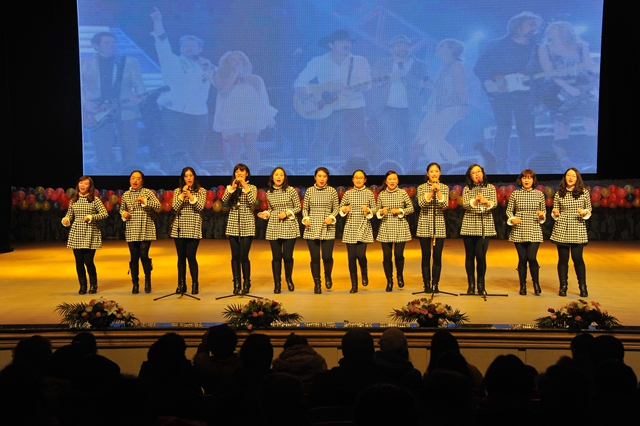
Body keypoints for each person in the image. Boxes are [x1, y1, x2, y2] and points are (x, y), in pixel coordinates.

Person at [474, 12, 543, 173]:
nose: (533, 26)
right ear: (518, 25)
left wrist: (539, 97)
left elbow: (540, 72)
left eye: (535, 24)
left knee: (526, 129)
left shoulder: (536, 48)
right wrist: (489, 81)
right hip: (501, 91)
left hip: (525, 93)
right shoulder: (497, 44)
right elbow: (480, 66)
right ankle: (499, 167)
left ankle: (528, 167)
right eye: (530, 23)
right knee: (503, 128)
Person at [294, 30, 374, 169]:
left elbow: (367, 85)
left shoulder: (359, 61)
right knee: (321, 140)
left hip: (353, 105)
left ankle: (382, 168)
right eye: (342, 41)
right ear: (331, 45)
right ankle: (310, 171)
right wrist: (306, 100)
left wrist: (353, 90)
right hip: (327, 107)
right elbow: (300, 82)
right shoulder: (318, 61)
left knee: (362, 138)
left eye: (348, 41)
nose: (347, 44)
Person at [150, 7, 216, 172]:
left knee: (196, 149)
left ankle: (196, 178)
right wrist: (158, 22)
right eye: (185, 46)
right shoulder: (171, 61)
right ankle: (173, 177)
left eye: (192, 46)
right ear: (180, 48)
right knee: (175, 149)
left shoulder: (206, 65)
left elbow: (219, 83)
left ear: (200, 49)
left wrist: (210, 68)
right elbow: (162, 43)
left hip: (199, 113)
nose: (189, 48)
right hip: (175, 111)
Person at [81, 32, 145, 174]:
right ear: (96, 46)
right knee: (102, 150)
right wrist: (85, 103)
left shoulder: (129, 62)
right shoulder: (84, 64)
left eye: (113, 42)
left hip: (126, 111)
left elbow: (140, 88)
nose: (112, 45)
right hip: (98, 112)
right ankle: (108, 179)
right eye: (107, 43)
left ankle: (130, 179)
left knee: (130, 148)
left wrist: (139, 98)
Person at [538, 21, 599, 162]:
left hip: (581, 85)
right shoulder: (545, 48)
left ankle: (592, 158)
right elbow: (548, 72)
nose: (550, 31)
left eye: (554, 28)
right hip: (557, 87)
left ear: (565, 31)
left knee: (591, 120)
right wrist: (567, 87)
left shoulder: (581, 45)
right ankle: (564, 161)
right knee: (561, 125)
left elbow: (589, 65)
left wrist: (593, 75)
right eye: (549, 28)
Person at [369, 35, 429, 168]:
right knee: (390, 141)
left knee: (411, 141)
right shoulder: (382, 64)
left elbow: (424, 84)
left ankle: (410, 170)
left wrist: (405, 76)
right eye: (398, 45)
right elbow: (373, 81)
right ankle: (391, 170)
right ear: (392, 48)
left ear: (410, 47)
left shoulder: (420, 65)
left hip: (411, 110)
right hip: (387, 109)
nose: (401, 48)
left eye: (405, 45)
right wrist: (389, 78)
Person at [213, 51, 277, 168]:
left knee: (250, 144)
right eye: (233, 59)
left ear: (244, 62)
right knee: (234, 146)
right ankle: (235, 172)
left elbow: (263, 99)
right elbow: (223, 91)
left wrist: (268, 117)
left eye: (240, 59)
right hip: (230, 115)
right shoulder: (220, 77)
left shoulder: (255, 79)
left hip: (250, 115)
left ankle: (256, 171)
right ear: (226, 62)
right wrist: (234, 75)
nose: (237, 62)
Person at [412, 39, 467, 172]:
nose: (438, 47)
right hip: (437, 106)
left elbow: (460, 86)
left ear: (451, 50)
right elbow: (441, 88)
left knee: (435, 137)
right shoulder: (444, 67)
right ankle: (440, 164)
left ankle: (458, 164)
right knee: (422, 138)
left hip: (451, 105)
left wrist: (465, 104)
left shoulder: (457, 66)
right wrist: (429, 85)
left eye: (442, 46)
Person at [61, 176, 108, 294]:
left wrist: (92, 217)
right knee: (79, 262)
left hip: (90, 232)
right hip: (76, 232)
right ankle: (82, 285)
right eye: (81, 183)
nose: (82, 185)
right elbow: (69, 214)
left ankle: (93, 285)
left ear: (90, 186)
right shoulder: (73, 200)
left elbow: (104, 213)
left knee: (88, 261)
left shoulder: (95, 199)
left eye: (86, 184)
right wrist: (66, 219)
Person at [257, 167, 301, 294]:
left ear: (284, 177)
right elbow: (271, 209)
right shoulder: (269, 193)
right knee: (276, 257)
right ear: (272, 177)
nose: (279, 177)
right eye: (276, 175)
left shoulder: (291, 190)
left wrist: (286, 213)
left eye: (281, 175)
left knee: (287, 256)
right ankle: (277, 283)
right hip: (274, 225)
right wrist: (266, 214)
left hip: (289, 225)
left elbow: (298, 207)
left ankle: (289, 279)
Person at [550, 167, 591, 297]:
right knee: (563, 259)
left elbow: (589, 209)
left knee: (577, 258)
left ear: (577, 178)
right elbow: (555, 210)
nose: (570, 178)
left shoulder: (584, 192)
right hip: (562, 227)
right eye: (568, 175)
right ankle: (563, 286)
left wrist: (584, 212)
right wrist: (555, 213)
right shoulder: (559, 192)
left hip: (577, 227)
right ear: (565, 177)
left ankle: (582, 286)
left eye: (573, 175)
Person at [119, 170, 161, 294]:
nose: (135, 181)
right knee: (133, 256)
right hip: (132, 227)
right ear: (129, 180)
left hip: (145, 227)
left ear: (142, 181)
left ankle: (147, 281)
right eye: (133, 178)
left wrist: (145, 202)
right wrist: (124, 213)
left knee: (143, 254)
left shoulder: (147, 192)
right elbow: (122, 209)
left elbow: (158, 207)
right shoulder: (126, 194)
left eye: (138, 178)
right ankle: (135, 283)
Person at [506, 169, 546, 295]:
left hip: (534, 228)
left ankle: (536, 284)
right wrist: (512, 219)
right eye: (524, 178)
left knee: (531, 257)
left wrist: (541, 215)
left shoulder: (539, 194)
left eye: (529, 178)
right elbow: (509, 210)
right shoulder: (515, 194)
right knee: (522, 258)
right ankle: (522, 285)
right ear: (520, 180)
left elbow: (543, 211)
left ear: (533, 180)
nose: (527, 180)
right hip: (519, 228)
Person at [302, 167, 339, 294]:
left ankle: (328, 275)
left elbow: (336, 208)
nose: (322, 179)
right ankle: (317, 283)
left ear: (327, 178)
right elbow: (305, 208)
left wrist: (331, 217)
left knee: (327, 256)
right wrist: (306, 218)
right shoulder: (309, 191)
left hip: (327, 225)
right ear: (315, 177)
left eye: (324, 176)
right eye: (319, 176)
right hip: (312, 225)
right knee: (315, 258)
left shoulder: (332, 191)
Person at [461, 164, 497, 295]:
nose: (477, 174)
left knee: (481, 256)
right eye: (474, 173)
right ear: (470, 176)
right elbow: (465, 204)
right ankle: (471, 285)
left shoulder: (490, 187)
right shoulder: (467, 189)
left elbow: (494, 203)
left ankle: (481, 285)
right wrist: (475, 201)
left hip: (484, 224)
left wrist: (486, 202)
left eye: (479, 171)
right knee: (470, 256)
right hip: (469, 224)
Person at [222, 163, 257, 294]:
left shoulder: (252, 187)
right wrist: (232, 188)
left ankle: (246, 282)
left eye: (242, 171)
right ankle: (236, 283)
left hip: (247, 222)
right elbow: (224, 200)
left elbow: (252, 202)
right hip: (233, 223)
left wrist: (245, 186)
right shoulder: (231, 187)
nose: (239, 173)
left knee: (244, 255)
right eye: (237, 171)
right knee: (235, 255)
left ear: (246, 174)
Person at [339, 169, 377, 293]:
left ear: (365, 180)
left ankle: (364, 272)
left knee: (360, 255)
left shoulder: (369, 193)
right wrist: (344, 209)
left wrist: (369, 210)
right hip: (350, 227)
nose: (358, 180)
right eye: (356, 177)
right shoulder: (348, 193)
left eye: (361, 178)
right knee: (351, 257)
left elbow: (375, 209)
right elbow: (341, 208)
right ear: (353, 179)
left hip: (364, 226)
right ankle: (354, 284)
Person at [376, 170, 414, 292]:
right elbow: (377, 210)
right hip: (386, 227)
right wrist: (381, 212)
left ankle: (399, 275)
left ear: (398, 181)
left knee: (398, 254)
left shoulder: (403, 193)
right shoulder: (382, 194)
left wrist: (400, 211)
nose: (392, 181)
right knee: (387, 256)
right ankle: (389, 281)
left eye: (394, 179)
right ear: (386, 181)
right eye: (390, 179)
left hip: (400, 227)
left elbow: (411, 208)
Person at [171, 167, 206, 295]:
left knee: (191, 256)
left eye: (191, 175)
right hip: (179, 228)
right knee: (181, 258)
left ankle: (195, 284)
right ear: (183, 178)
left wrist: (190, 196)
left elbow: (200, 207)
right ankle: (181, 284)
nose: (189, 178)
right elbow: (174, 208)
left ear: (194, 177)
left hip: (193, 227)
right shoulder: (177, 191)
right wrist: (182, 195)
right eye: (186, 176)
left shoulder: (201, 191)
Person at [416, 163, 449, 292]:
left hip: (438, 223)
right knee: (426, 255)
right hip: (424, 222)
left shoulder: (444, 187)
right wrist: (431, 192)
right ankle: (426, 284)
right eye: (431, 171)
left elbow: (444, 204)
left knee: (437, 255)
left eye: (436, 171)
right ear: (427, 174)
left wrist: (438, 191)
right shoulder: (421, 187)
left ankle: (435, 284)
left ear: (440, 173)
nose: (434, 173)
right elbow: (422, 204)